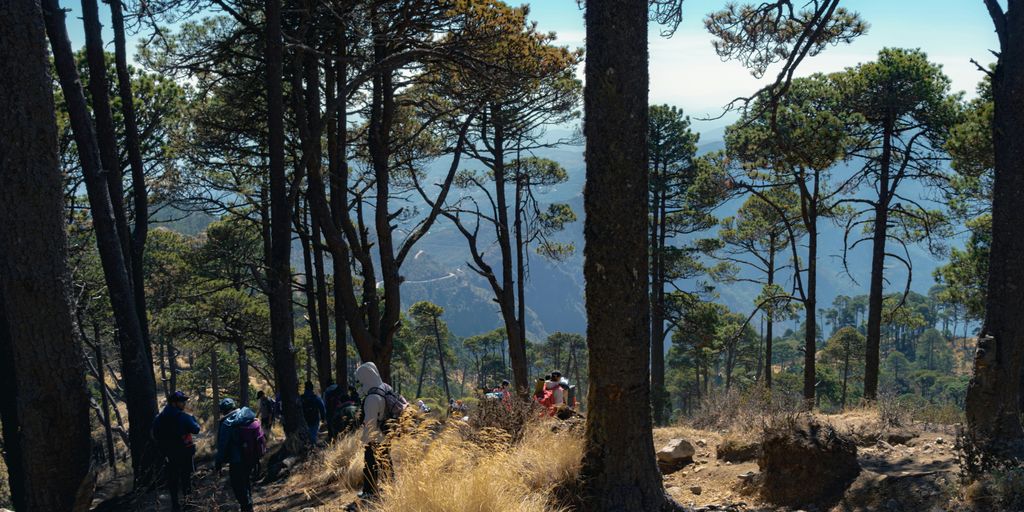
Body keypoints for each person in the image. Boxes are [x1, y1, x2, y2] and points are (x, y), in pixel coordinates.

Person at [356, 362, 407, 500]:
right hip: (386, 432)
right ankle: (392, 488)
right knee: (386, 462)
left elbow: (370, 423)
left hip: (375, 437)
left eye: (361, 379)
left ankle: (369, 492)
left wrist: (364, 440)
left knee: (370, 465)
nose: (360, 382)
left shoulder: (372, 397)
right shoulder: (385, 387)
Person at [152, 391, 201, 512]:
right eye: (182, 401)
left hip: (168, 455)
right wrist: (192, 418)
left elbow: (154, 434)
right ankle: (188, 503)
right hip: (184, 453)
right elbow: (196, 429)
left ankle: (175, 505)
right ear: (174, 403)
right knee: (186, 479)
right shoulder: (183, 417)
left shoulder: (159, 418)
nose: (184, 403)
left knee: (172, 481)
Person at [215, 398, 263, 512]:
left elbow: (222, 445)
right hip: (250, 457)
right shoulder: (246, 415)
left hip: (236, 460)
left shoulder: (227, 423)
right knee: (245, 482)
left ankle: (246, 508)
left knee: (238, 486)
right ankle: (249, 506)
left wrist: (218, 463)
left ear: (223, 411)